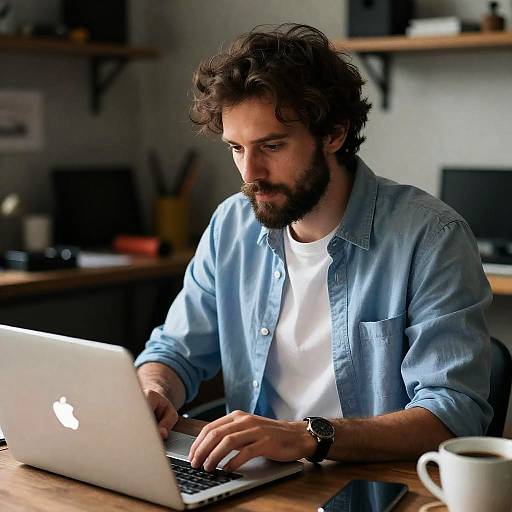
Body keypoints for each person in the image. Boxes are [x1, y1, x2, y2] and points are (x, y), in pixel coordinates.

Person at [135, 24, 492, 473]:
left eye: (272, 145)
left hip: (372, 486)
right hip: (255, 480)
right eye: (236, 148)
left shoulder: (431, 236)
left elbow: (452, 414)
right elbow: (173, 352)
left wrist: (308, 436)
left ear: (334, 134)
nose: (251, 172)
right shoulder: (231, 224)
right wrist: (156, 391)